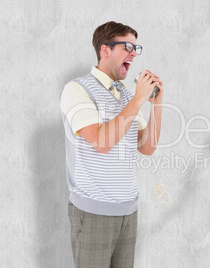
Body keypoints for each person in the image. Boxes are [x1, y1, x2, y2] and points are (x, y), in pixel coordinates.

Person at [60, 21, 164, 267]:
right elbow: (101, 142)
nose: (133, 54)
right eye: (127, 46)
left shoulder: (128, 96)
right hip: (93, 212)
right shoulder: (77, 89)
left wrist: (156, 104)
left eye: (136, 49)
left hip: (128, 212)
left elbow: (147, 147)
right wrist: (139, 99)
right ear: (105, 50)